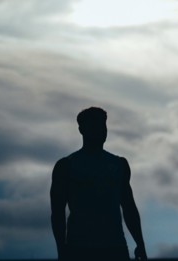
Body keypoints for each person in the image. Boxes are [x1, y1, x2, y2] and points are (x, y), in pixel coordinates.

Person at [51, 107, 147, 261]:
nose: (100, 130)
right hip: (79, 248)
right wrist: (62, 250)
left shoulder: (119, 164)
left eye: (103, 125)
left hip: (115, 247)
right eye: (94, 126)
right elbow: (57, 213)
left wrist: (140, 243)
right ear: (81, 129)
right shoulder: (66, 166)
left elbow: (129, 207)